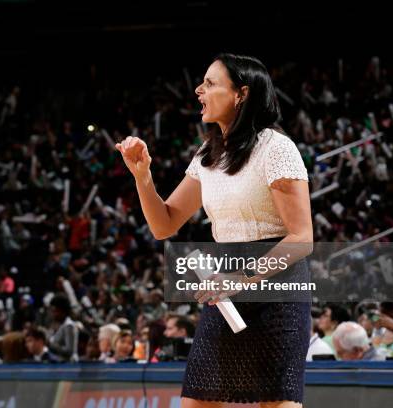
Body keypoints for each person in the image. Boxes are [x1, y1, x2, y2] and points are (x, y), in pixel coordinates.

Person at [116, 53, 313, 407]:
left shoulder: (277, 148)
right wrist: (143, 177)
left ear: (241, 93)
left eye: (210, 83)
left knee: (276, 403)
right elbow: (164, 224)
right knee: (197, 401)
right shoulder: (209, 154)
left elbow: (301, 238)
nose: (198, 90)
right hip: (224, 290)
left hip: (277, 291)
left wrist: (242, 277)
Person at [48, 294, 80, 362]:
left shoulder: (69, 326)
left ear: (63, 311)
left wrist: (49, 345)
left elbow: (69, 351)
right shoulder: (55, 325)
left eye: (55, 311)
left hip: (68, 367)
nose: (53, 314)